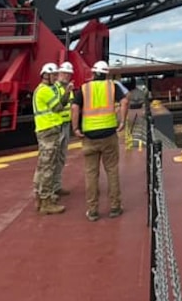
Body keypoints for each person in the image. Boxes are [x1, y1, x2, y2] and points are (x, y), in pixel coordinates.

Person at [71, 60, 128, 222]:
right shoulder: (112, 86)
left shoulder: (84, 88)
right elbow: (124, 101)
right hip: (109, 135)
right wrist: (122, 121)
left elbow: (75, 108)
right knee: (112, 170)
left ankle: (93, 210)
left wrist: (76, 128)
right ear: (106, 74)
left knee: (91, 174)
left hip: (89, 137)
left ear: (93, 72)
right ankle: (115, 207)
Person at [31, 62, 66, 215]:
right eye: (54, 75)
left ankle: (40, 196)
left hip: (44, 131)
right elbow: (58, 107)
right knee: (48, 167)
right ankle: (46, 202)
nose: (56, 78)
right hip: (48, 131)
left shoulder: (40, 90)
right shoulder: (44, 91)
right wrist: (67, 92)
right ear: (47, 75)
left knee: (42, 165)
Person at [52, 61, 76, 202]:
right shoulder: (54, 88)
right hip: (56, 126)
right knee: (53, 158)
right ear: (58, 73)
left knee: (61, 157)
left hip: (65, 125)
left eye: (68, 74)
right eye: (64, 73)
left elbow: (72, 107)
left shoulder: (69, 88)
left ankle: (57, 186)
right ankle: (50, 190)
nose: (66, 76)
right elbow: (57, 106)